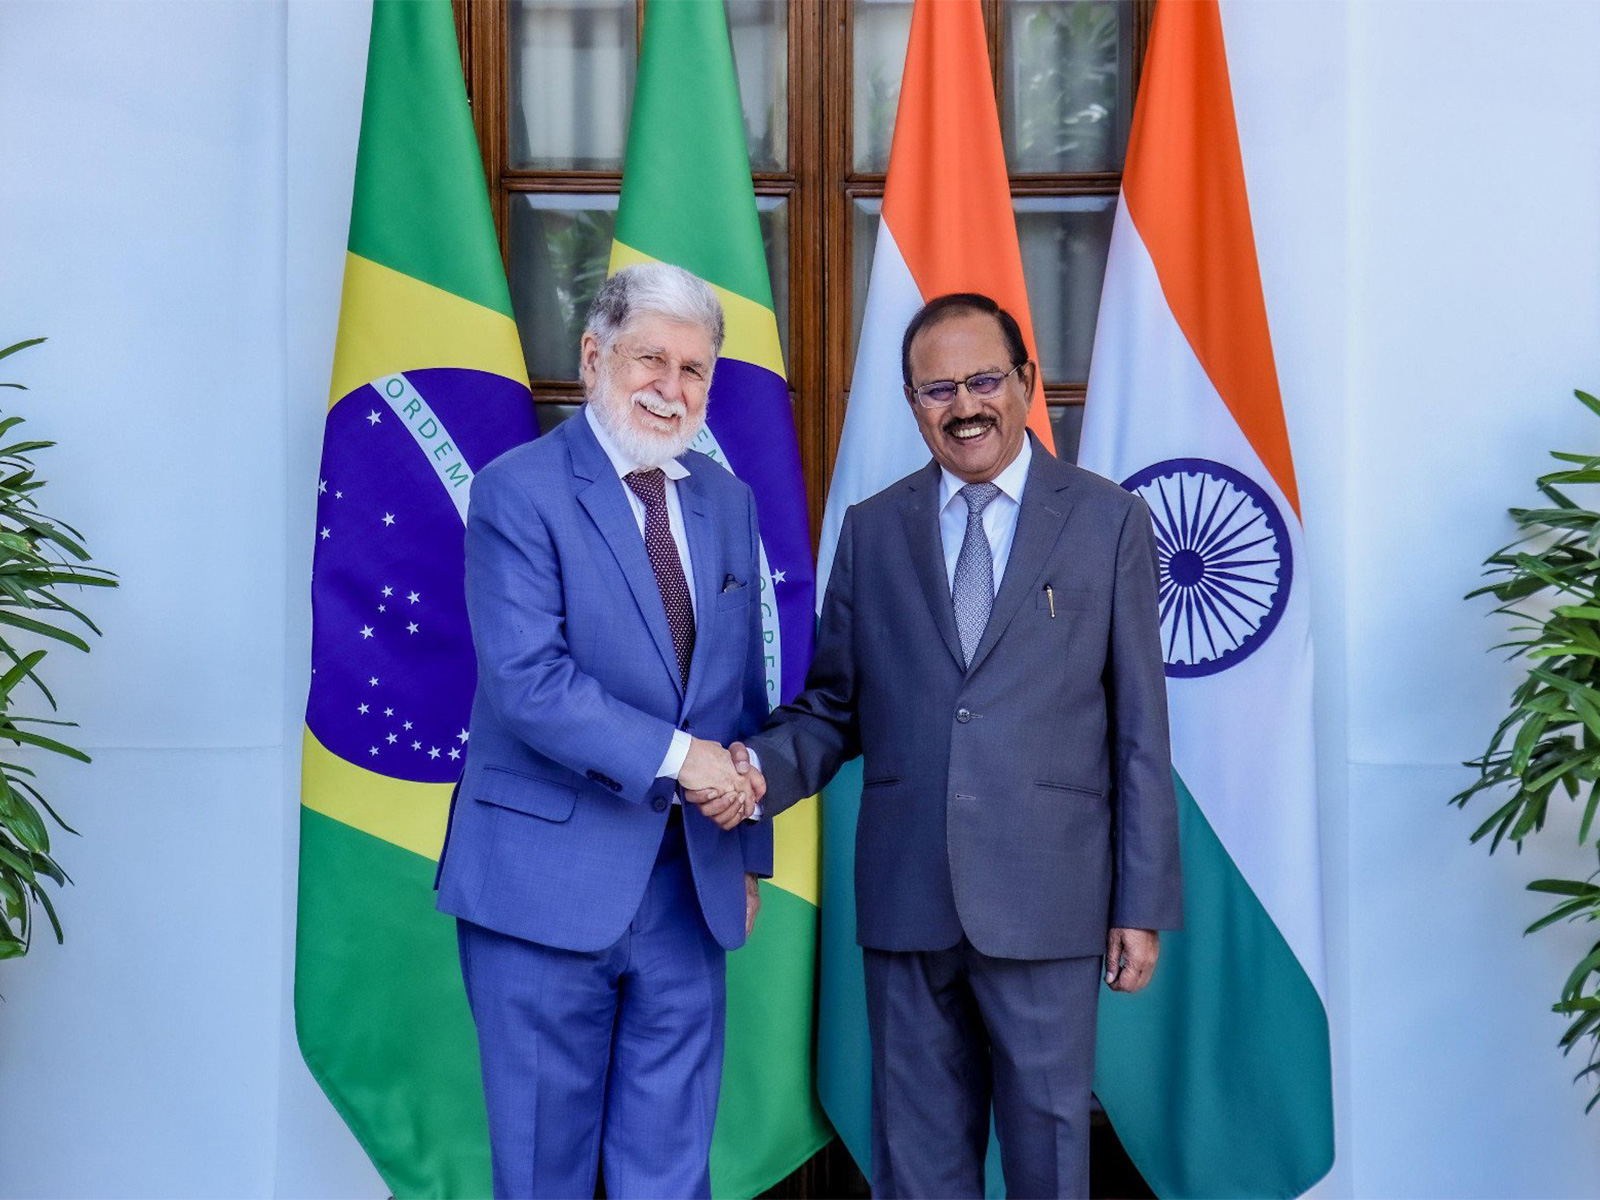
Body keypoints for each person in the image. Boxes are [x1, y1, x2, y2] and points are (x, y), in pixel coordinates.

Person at [736, 292, 1183, 1199]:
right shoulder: (872, 529)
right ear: (913, 403)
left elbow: (1140, 728)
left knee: (1048, 1156)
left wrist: (1140, 903)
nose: (965, 406)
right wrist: (751, 772)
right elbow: (834, 706)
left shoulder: (1108, 521)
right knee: (917, 1161)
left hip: (1048, 897)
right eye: (938, 389)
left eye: (984, 380)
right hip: (908, 897)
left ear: (1027, 382)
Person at [435, 262, 769, 1200]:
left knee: (670, 1176)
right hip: (543, 890)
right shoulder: (517, 491)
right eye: (649, 359)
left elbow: (737, 688)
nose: (671, 387)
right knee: (544, 1172)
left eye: (694, 369)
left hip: (689, 888)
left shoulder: (726, 500)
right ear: (593, 357)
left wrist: (746, 853)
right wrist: (684, 759)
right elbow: (529, 683)